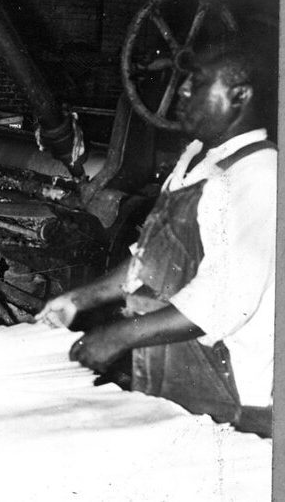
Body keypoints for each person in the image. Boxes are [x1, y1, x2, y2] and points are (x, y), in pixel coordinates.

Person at [36, 39, 275, 437]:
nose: (180, 90)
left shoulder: (260, 175)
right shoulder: (197, 159)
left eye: (196, 82)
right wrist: (81, 299)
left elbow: (225, 299)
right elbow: (154, 256)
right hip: (173, 374)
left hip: (235, 398)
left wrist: (118, 335)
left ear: (240, 95)